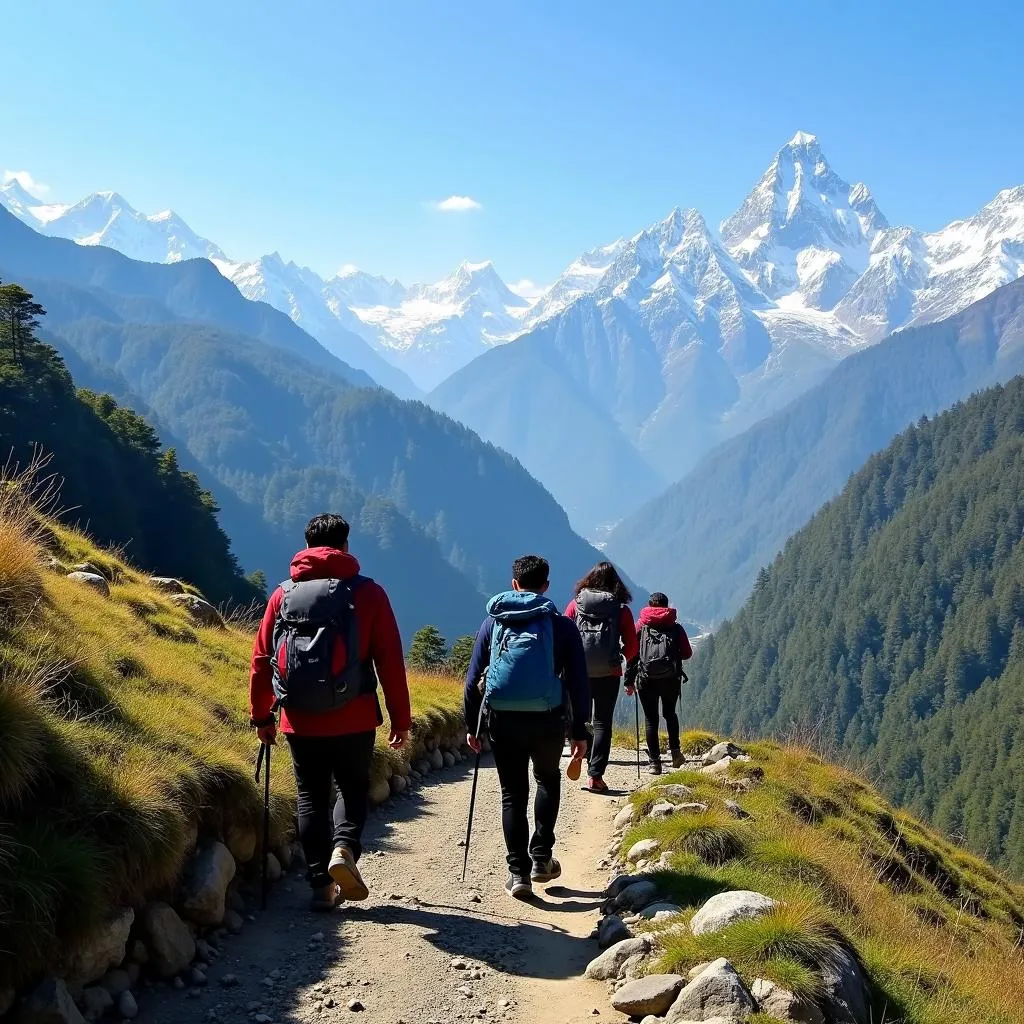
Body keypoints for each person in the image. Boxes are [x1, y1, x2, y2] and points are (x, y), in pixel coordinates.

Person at [249, 513, 411, 911]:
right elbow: (390, 661)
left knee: (310, 797)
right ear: (345, 546)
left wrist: (262, 716)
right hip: (354, 715)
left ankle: (321, 885)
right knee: (353, 787)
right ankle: (344, 848)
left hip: (298, 717)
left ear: (306, 546)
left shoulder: (282, 594)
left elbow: (261, 659)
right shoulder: (368, 593)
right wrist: (400, 719)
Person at [464, 554, 590, 900]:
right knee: (547, 780)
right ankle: (541, 859)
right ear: (546, 585)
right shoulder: (560, 625)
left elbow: (473, 678)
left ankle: (518, 873)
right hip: (548, 719)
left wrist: (472, 726)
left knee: (512, 794)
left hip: (502, 720)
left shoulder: (493, 623)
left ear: (514, 584)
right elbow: (579, 682)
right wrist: (580, 730)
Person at [564, 562, 638, 794]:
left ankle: (578, 751)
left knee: (580, 717)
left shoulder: (575, 605)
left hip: (579, 673)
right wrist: (618, 659)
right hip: (609, 673)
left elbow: (564, 634)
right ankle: (595, 776)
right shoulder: (621, 610)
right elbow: (633, 645)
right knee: (602, 723)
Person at [626, 592, 694, 774]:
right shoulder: (676, 627)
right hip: (671, 678)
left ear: (649, 606)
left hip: (646, 679)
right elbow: (687, 653)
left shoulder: (640, 626)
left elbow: (631, 653)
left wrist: (629, 681)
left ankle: (655, 763)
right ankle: (676, 754)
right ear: (666, 606)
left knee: (651, 719)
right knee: (670, 714)